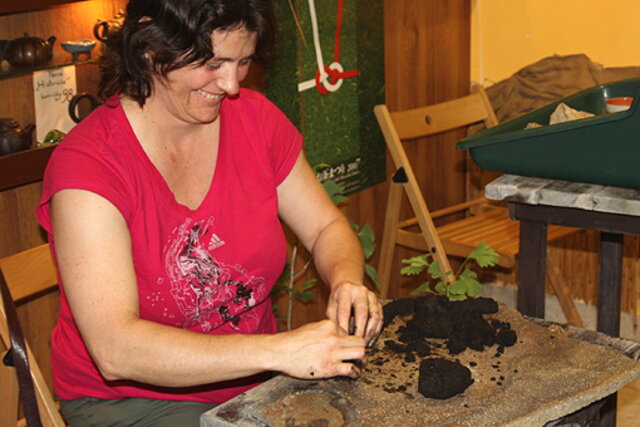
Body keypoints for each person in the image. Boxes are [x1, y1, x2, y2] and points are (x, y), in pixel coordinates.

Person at [35, 0, 383, 425]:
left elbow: (326, 226)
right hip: (132, 399)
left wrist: (346, 279)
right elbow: (115, 349)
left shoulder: (254, 120)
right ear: (149, 46)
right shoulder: (90, 166)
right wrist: (282, 350)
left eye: (243, 62)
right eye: (213, 63)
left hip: (256, 379)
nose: (232, 84)